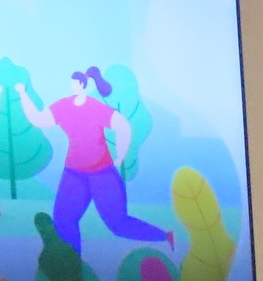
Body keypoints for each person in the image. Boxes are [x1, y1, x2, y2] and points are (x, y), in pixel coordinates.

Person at [17, 67, 169, 254]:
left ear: (82, 85)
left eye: (75, 83)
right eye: (71, 83)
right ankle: (72, 266)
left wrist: (120, 156)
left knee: (118, 224)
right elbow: (38, 119)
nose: (72, 86)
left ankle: (165, 236)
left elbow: (123, 125)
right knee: (63, 220)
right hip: (74, 174)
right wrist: (23, 94)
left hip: (102, 173)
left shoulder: (94, 107)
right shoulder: (64, 106)